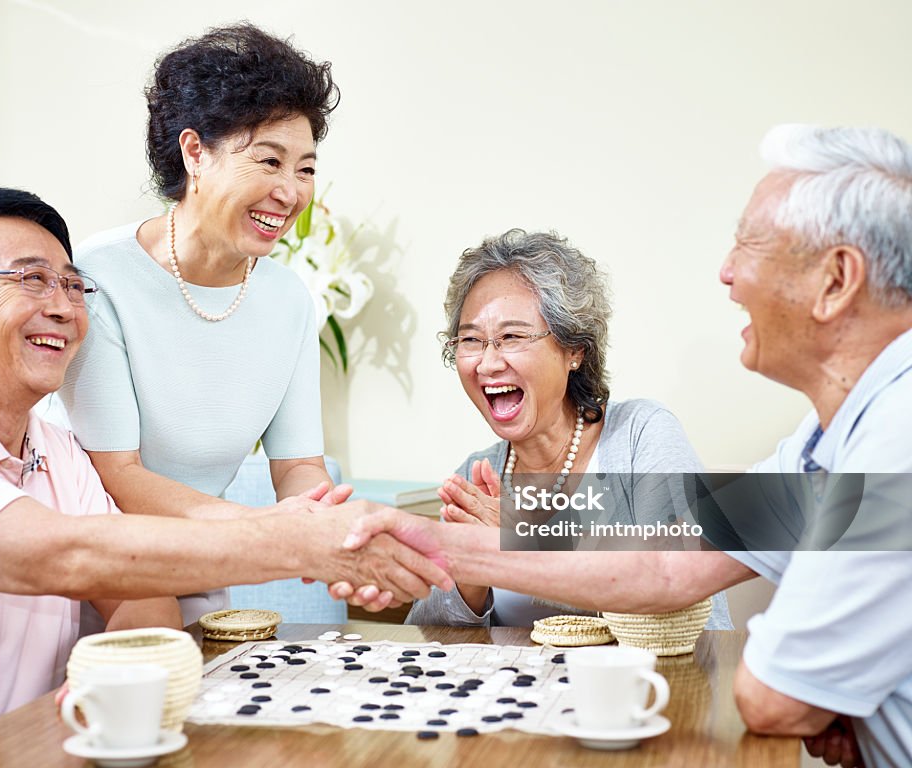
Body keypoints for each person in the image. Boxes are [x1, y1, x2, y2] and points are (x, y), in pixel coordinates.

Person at [344, 125, 912, 768]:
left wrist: (822, 702)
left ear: (837, 279)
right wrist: (427, 539)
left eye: (751, 245)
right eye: (472, 341)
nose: (726, 274)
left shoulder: (897, 444)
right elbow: (667, 567)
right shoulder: (820, 444)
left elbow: (772, 698)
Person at [0, 188, 452, 755]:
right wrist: (301, 541)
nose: (63, 306)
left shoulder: (56, 451)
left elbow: (137, 596)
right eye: (32, 280)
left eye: (71, 284)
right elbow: (58, 555)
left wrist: (122, 679)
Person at [54, 24, 349, 624]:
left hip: (201, 575)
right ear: (195, 152)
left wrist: (327, 525)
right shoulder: (101, 276)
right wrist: (263, 531)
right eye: (268, 160)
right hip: (93, 579)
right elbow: (119, 475)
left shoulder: (289, 299)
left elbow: (295, 466)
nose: (289, 191)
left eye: (306, 169)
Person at [406, 229, 731, 629]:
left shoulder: (640, 436)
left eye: (512, 336)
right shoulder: (477, 477)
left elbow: (693, 603)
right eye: (471, 340)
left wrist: (521, 550)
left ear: (574, 350)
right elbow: (424, 639)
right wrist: (470, 580)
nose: (487, 364)